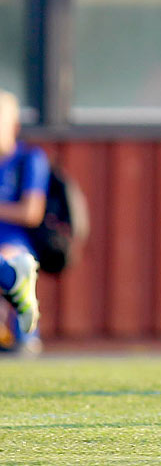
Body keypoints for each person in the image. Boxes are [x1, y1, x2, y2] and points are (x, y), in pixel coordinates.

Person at [0, 90, 45, 352]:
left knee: (10, 259)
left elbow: (31, 212)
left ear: (13, 126)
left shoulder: (29, 159)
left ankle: (25, 337)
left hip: (14, 242)